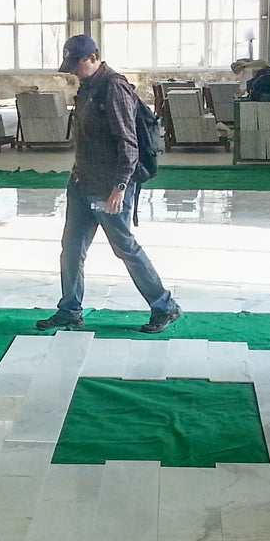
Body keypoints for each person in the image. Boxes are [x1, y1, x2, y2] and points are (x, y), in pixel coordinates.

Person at [35, 34, 183, 335]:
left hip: (108, 187)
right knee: (71, 250)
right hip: (81, 181)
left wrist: (120, 187)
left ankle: (164, 305)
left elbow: (128, 143)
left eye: (77, 65)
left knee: (125, 247)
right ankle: (70, 311)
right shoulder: (88, 86)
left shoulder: (113, 87)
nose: (74, 72)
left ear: (93, 58)